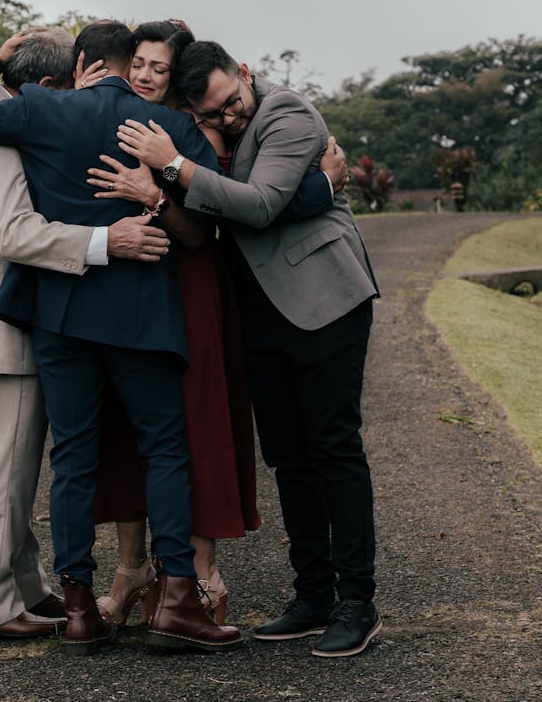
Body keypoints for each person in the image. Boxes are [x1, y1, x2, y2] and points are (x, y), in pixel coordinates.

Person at [0, 21, 242, 656]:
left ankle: (77, 608)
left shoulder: (43, 109)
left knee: (71, 457)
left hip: (61, 316)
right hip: (139, 315)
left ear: (82, 65)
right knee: (165, 448)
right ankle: (177, 600)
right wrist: (160, 186)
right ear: (133, 64)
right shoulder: (168, 129)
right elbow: (218, 215)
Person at [110, 39, 382, 659]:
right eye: (213, 114)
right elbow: (219, 220)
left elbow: (258, 206)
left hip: (323, 301)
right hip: (258, 313)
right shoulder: (209, 134)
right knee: (288, 457)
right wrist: (313, 189)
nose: (229, 118)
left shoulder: (287, 114)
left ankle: (357, 603)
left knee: (334, 447)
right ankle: (313, 595)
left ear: (246, 75)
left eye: (233, 103)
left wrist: (174, 164)